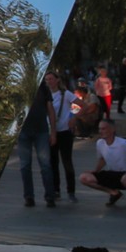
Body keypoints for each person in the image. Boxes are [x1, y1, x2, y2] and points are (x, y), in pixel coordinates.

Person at [81, 116, 126, 207]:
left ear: (112, 130)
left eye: (104, 129)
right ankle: (114, 193)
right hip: (112, 173)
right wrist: (96, 170)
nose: (100, 131)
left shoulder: (123, 143)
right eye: (99, 129)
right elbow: (102, 159)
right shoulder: (100, 143)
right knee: (84, 178)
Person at [17, 82, 59, 208]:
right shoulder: (18, 86)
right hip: (23, 131)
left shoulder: (43, 88)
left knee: (45, 165)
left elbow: (50, 110)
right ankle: (29, 196)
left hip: (41, 131)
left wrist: (53, 132)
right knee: (25, 166)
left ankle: (50, 196)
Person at [46, 71, 77, 202]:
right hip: (50, 132)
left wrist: (73, 117)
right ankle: (56, 190)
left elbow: (81, 105)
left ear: (57, 80)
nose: (49, 82)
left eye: (51, 79)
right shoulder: (45, 95)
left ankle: (71, 191)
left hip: (64, 131)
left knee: (67, 162)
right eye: (47, 79)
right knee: (53, 162)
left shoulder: (65, 94)